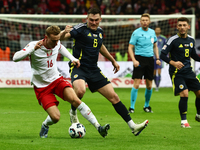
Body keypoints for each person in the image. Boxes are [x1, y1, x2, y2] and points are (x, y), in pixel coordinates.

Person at [60, 7, 148, 136]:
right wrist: (63, 32)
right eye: (91, 20)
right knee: (80, 91)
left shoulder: (100, 32)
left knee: (114, 97)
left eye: (96, 20)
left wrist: (112, 60)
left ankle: (133, 126)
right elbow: (62, 38)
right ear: (87, 19)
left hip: (94, 70)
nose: (94, 22)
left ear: (100, 19)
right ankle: (73, 112)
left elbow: (100, 46)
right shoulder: (80, 29)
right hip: (79, 67)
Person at [13, 25, 111, 138]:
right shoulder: (34, 45)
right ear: (46, 37)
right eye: (53, 40)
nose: (56, 43)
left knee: (75, 100)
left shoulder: (57, 43)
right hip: (42, 87)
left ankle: (99, 127)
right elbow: (15, 58)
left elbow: (61, 48)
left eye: (57, 40)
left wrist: (73, 59)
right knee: (56, 117)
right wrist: (32, 49)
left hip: (56, 80)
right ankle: (45, 125)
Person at [160, 17, 200, 128]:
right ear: (177, 27)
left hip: (189, 71)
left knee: (199, 93)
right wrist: (173, 63)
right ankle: (184, 121)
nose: (182, 27)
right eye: (180, 25)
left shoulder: (191, 40)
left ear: (188, 27)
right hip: (177, 73)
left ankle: (198, 114)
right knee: (185, 93)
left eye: (184, 25)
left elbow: (194, 55)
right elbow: (162, 55)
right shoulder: (172, 40)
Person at [128, 13, 161, 113]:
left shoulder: (152, 32)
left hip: (150, 60)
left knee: (150, 85)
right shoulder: (136, 33)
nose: (144, 22)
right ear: (140, 21)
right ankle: (132, 107)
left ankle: (146, 106)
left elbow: (155, 46)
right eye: (143, 20)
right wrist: (134, 60)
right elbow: (130, 47)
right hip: (139, 59)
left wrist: (158, 58)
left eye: (146, 20)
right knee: (136, 84)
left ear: (149, 21)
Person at [153, 26, 167, 91]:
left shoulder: (163, 38)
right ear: (155, 30)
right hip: (152, 56)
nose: (158, 31)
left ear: (160, 31)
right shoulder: (152, 37)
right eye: (156, 30)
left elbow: (166, 47)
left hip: (160, 57)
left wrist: (166, 56)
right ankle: (155, 84)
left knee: (159, 71)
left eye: (159, 30)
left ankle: (157, 86)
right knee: (154, 72)